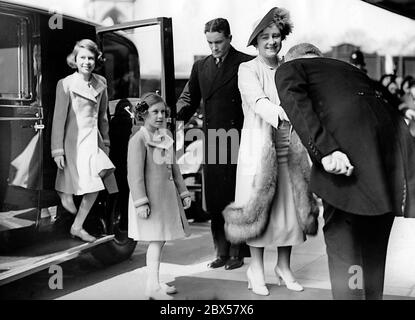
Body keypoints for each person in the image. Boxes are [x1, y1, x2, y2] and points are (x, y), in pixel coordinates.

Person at [275, 43, 415, 300]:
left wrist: (325, 150)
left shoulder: (291, 67)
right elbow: (392, 104)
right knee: (373, 251)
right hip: (389, 166)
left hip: (346, 170)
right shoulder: (351, 72)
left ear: (291, 59)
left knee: (346, 255)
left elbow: (295, 101)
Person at [222, 8, 319, 296]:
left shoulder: (290, 67)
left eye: (276, 36)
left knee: (290, 211)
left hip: (290, 149)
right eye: (265, 36)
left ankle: (284, 267)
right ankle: (256, 269)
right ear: (255, 41)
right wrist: (290, 114)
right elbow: (258, 102)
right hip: (259, 150)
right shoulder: (247, 69)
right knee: (258, 211)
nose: (271, 41)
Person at [176, 18, 253, 270]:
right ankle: (221, 251)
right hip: (214, 141)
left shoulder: (245, 63)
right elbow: (188, 98)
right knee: (216, 199)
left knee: (236, 198)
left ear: (230, 38)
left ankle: (237, 252)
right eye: (210, 42)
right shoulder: (201, 67)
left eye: (219, 42)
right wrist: (171, 116)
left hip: (240, 138)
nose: (214, 47)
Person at [51, 39, 117, 242]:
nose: (86, 62)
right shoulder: (66, 84)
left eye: (90, 58)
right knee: (75, 181)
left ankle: (77, 226)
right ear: (75, 59)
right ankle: (64, 193)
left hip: (94, 141)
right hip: (73, 141)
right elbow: (59, 118)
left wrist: (105, 142)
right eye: (82, 58)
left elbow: (103, 117)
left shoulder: (101, 82)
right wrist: (57, 150)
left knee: (97, 186)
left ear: (95, 60)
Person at [127, 93, 192, 300]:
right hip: (151, 200)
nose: (160, 116)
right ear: (144, 114)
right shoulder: (139, 139)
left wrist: (183, 192)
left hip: (166, 199)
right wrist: (140, 202)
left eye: (163, 112)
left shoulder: (165, 137)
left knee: (161, 240)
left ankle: (155, 281)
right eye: (155, 112)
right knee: (156, 241)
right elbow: (134, 174)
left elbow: (175, 169)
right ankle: (152, 286)